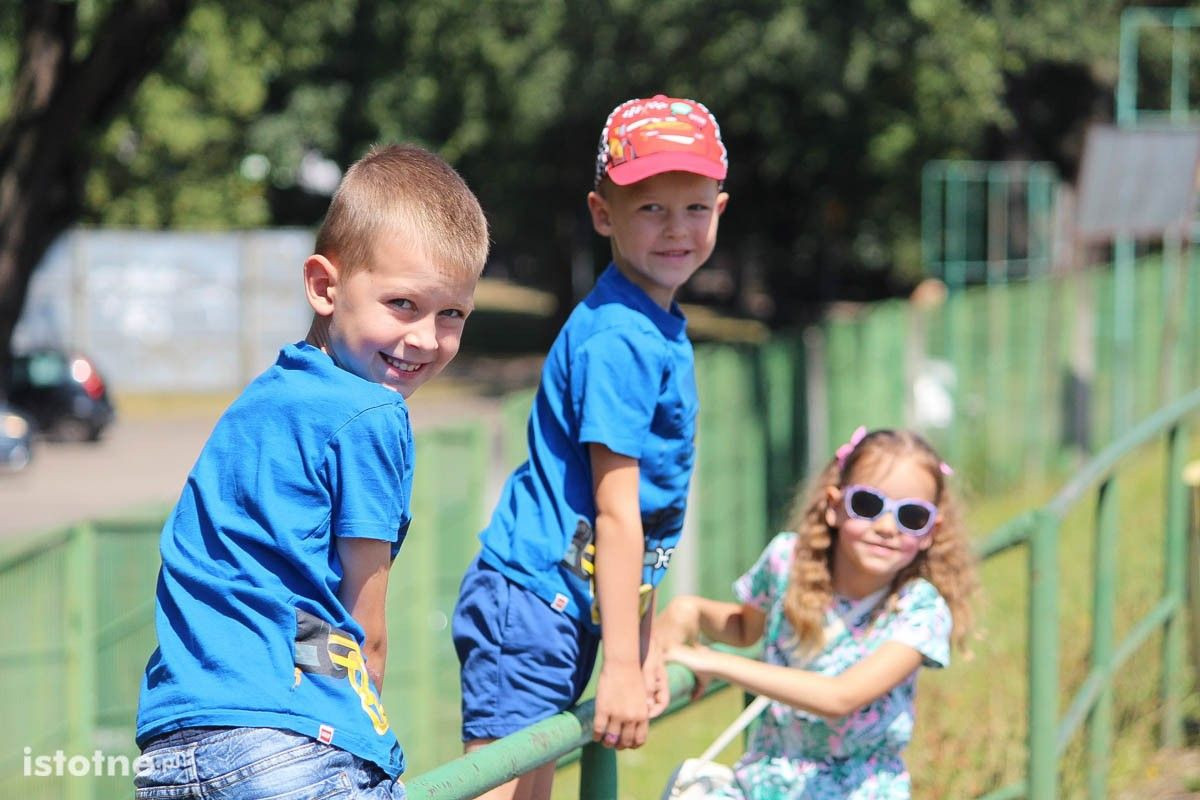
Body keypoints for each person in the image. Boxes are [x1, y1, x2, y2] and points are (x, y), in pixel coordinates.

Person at [133, 144, 490, 799]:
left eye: (452, 314)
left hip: (171, 748)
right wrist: (373, 753)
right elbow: (365, 627)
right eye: (402, 304)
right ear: (326, 286)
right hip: (290, 750)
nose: (425, 338)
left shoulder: (260, 399)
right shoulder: (372, 412)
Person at [451, 93, 730, 800]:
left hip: (564, 601)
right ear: (603, 214)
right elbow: (617, 513)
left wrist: (635, 646)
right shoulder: (620, 339)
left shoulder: (654, 324)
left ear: (720, 211)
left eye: (694, 208)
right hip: (532, 602)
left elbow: (648, 520)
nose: (676, 230)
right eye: (650, 209)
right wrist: (623, 669)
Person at [656, 427, 978, 800]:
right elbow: (747, 627)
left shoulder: (921, 609)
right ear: (834, 506)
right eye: (868, 506)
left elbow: (839, 698)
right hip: (764, 785)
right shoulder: (785, 563)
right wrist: (688, 611)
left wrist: (711, 662)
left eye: (912, 516)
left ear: (930, 531)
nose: (888, 527)